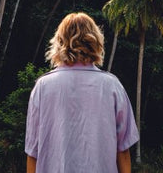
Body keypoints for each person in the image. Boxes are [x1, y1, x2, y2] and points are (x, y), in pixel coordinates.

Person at [25, 12, 139, 173]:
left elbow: (32, 152)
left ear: (59, 41)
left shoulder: (43, 87)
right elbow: (123, 151)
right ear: (95, 41)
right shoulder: (112, 86)